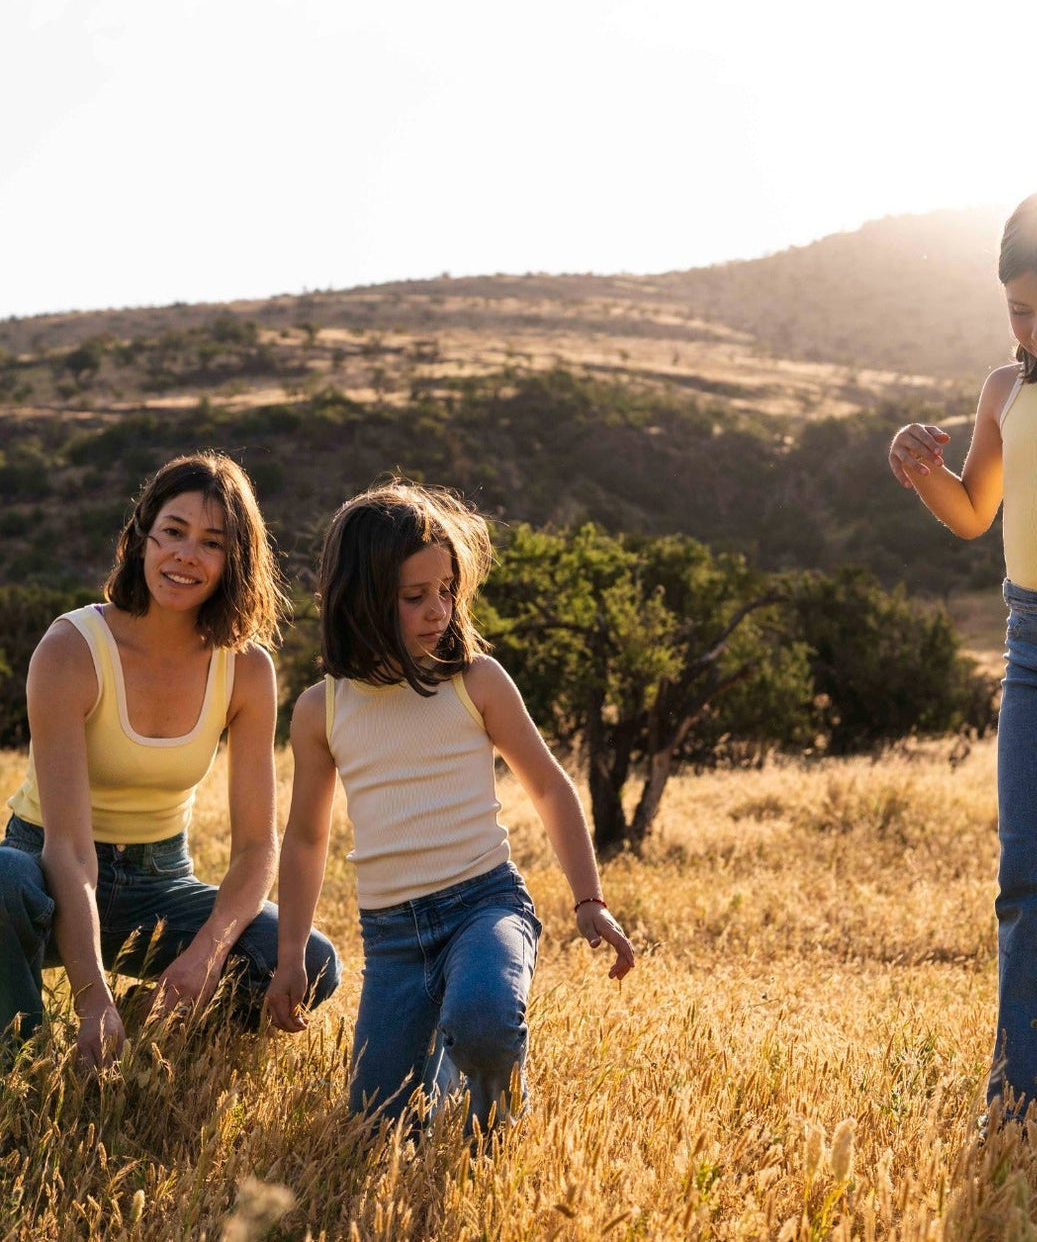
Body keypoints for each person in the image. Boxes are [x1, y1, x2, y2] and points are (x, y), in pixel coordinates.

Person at [266, 480, 635, 1133]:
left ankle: (495, 1128)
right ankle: (443, 1063)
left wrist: (589, 899)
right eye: (415, 597)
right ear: (361, 599)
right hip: (393, 939)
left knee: (485, 1022)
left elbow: (550, 787)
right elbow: (304, 838)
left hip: (484, 906)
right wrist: (291, 951)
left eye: (446, 590)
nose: (438, 610)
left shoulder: (476, 681)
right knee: (379, 1130)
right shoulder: (322, 710)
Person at [0, 452, 340, 1070]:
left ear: (235, 561)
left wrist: (205, 955)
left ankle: (153, 1032)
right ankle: (24, 1070)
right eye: (173, 532)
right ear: (142, 537)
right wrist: (90, 996)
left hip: (160, 880)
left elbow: (256, 848)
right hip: (46, 867)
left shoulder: (246, 669)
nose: (186, 555)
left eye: (212, 543)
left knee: (308, 959)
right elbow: (69, 850)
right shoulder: (71, 648)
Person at [888, 186, 1037, 1118]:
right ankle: (1030, 1099)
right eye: (1019, 310)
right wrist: (925, 470)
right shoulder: (1003, 390)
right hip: (1032, 651)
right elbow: (973, 513)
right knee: (1028, 882)